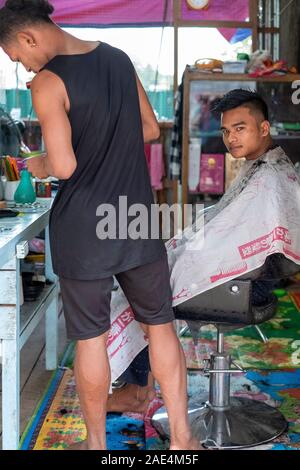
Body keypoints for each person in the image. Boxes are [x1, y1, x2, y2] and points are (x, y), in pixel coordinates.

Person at [0, 0, 200, 451]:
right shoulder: (117, 57)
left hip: (84, 226)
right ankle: (183, 441)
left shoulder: (48, 82)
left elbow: (64, 165)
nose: (20, 65)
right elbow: (150, 129)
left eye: (15, 55)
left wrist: (36, 161)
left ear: (29, 37)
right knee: (160, 325)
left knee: (91, 339)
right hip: (135, 216)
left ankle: (95, 447)